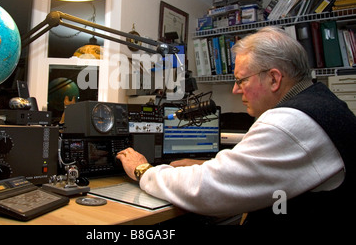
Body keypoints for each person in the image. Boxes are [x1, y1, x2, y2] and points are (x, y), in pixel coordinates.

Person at [117, 26, 356, 225]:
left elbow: (207, 189)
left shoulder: (289, 121)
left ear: (274, 78)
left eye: (241, 80)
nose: (235, 89)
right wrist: (210, 166)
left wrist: (143, 171)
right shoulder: (322, 102)